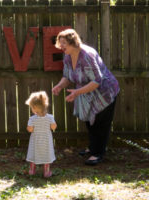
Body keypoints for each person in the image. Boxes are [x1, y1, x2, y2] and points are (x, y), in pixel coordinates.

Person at [52, 29, 120, 166]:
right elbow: (67, 76)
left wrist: (77, 92)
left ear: (73, 42)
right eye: (60, 43)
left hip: (105, 92)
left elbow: (97, 81)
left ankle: (97, 153)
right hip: (87, 93)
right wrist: (59, 86)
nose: (61, 46)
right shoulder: (67, 56)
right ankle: (94, 147)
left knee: (101, 123)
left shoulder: (87, 55)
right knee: (90, 121)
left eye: (64, 43)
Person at [25, 91, 57, 178]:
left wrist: (30, 127)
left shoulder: (32, 119)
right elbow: (53, 127)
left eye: (31, 107)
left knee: (34, 153)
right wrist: (52, 125)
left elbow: (30, 129)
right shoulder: (50, 117)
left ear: (35, 107)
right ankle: (46, 171)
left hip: (36, 140)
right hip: (46, 140)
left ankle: (32, 170)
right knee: (46, 154)